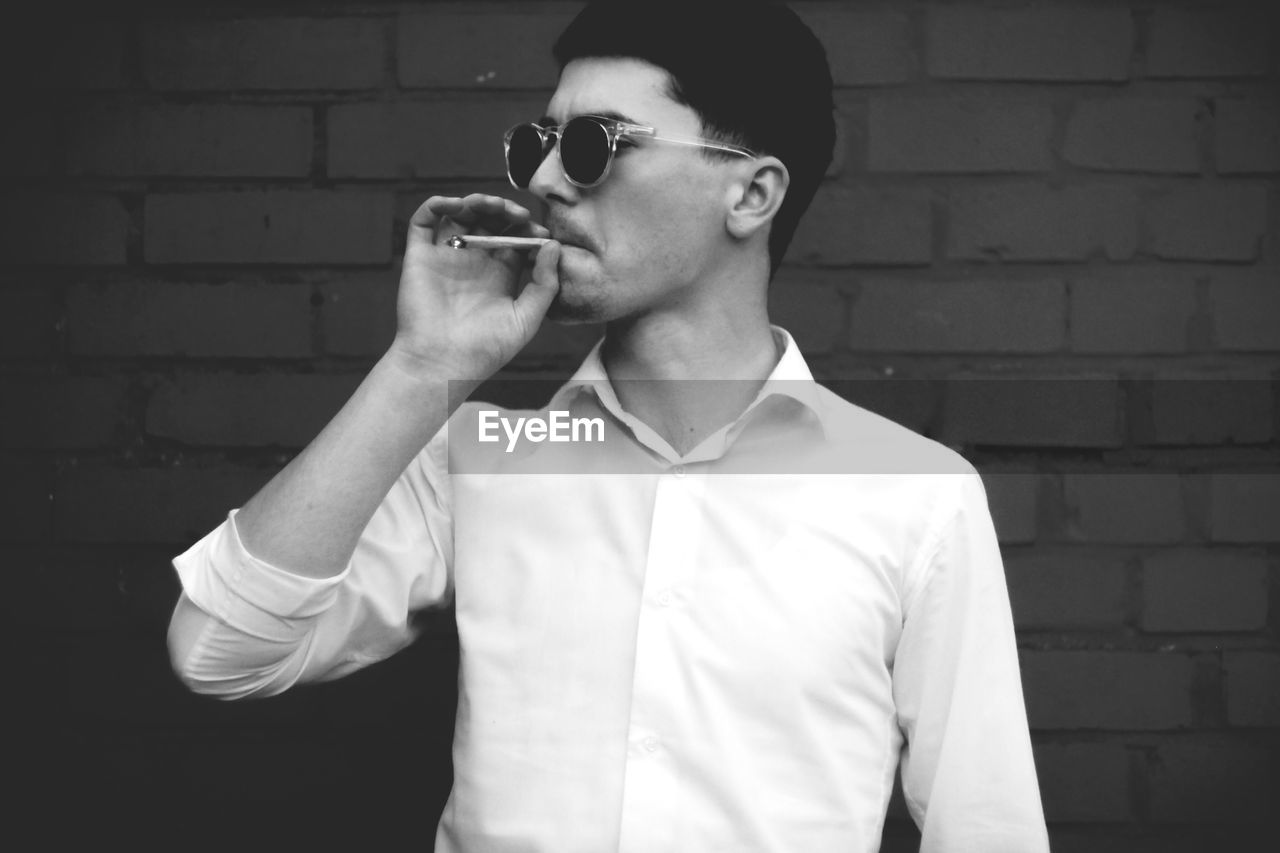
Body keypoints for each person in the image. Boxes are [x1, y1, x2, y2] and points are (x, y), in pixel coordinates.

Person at [166, 1, 1050, 850]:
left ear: (750, 194)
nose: (547, 181)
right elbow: (221, 651)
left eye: (596, 144)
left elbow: (987, 829)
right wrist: (422, 370)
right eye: (541, 143)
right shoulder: (484, 458)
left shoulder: (917, 495)